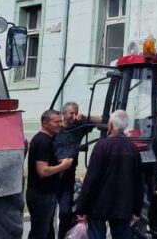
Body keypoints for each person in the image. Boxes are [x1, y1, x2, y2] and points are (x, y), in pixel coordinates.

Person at [76, 110, 144, 239]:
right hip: (124, 207)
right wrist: (137, 209)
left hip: (98, 207)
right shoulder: (133, 149)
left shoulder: (101, 146)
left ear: (111, 126)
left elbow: (91, 179)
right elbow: (138, 182)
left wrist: (82, 208)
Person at [55, 102, 102, 239]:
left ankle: (62, 235)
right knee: (47, 213)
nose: (73, 116)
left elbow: (104, 120)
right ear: (64, 114)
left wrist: (85, 117)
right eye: (71, 113)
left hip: (68, 177)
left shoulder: (79, 127)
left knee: (65, 212)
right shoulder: (56, 128)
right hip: (52, 175)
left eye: (76, 113)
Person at [27, 109, 74, 239]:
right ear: (45, 124)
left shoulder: (46, 140)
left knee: (47, 231)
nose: (59, 124)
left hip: (44, 194)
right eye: (56, 122)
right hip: (41, 195)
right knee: (40, 232)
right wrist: (62, 166)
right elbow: (42, 171)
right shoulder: (43, 142)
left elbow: (46, 162)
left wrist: (58, 162)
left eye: (60, 121)